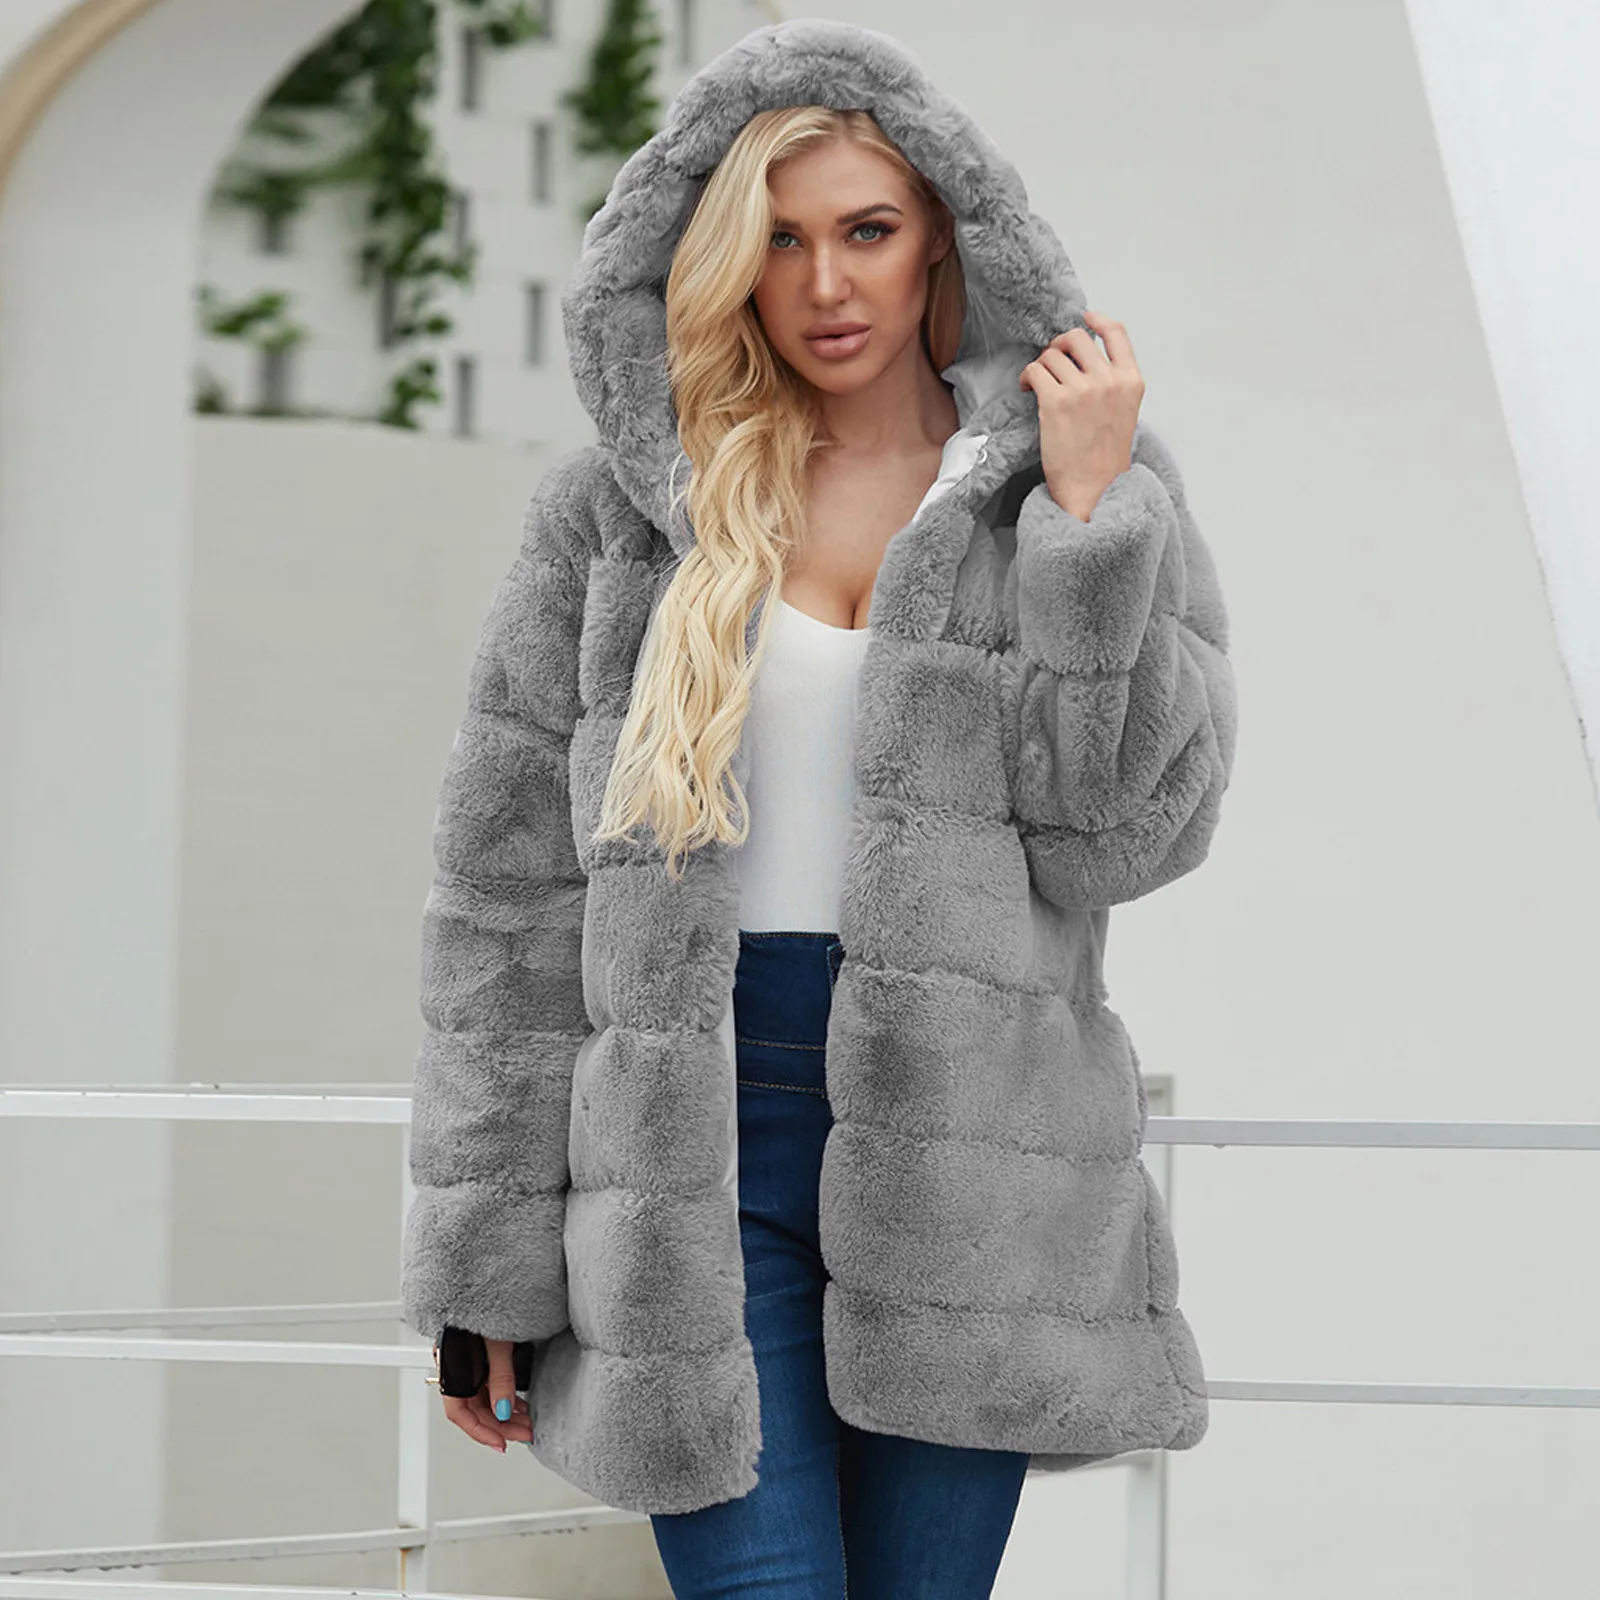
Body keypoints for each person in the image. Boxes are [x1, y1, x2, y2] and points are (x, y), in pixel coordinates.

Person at [401, 18, 1238, 1598]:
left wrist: (1087, 524)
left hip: (972, 1152)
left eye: (868, 231)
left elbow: (1123, 835)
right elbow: (505, 905)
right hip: (688, 1143)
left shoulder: (1076, 498)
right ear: (722, 261)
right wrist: (484, 1262)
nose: (827, 284)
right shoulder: (621, 516)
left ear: (945, 243)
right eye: (780, 241)